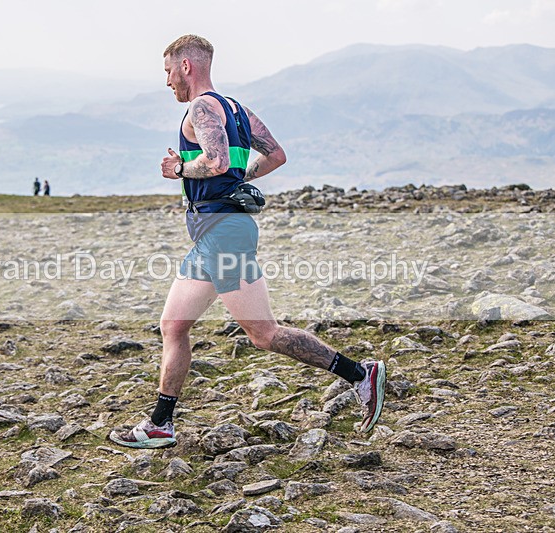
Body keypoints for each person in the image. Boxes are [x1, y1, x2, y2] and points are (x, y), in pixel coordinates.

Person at [109, 35, 386, 449]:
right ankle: (161, 424)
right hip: (214, 235)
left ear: (186, 66)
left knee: (263, 334)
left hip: (223, 234)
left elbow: (216, 161)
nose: (167, 81)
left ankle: (361, 375)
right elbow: (275, 155)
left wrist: (179, 167)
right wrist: (240, 180)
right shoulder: (236, 109)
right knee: (174, 325)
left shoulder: (201, 107)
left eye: (168, 71)